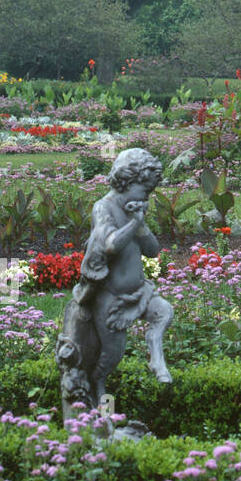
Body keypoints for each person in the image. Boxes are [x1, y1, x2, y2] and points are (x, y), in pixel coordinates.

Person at [57, 148, 173, 417]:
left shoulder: (136, 213)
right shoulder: (105, 207)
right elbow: (109, 245)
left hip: (139, 291)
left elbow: (153, 251)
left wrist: (142, 227)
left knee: (164, 312)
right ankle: (102, 408)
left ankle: (157, 360)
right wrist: (134, 224)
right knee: (111, 359)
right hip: (112, 299)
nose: (147, 196)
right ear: (126, 182)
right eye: (144, 190)